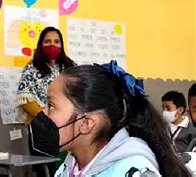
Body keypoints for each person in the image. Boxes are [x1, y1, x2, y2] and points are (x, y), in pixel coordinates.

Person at [30, 60, 191, 176]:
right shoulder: (70, 165)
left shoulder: (134, 170)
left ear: (86, 123)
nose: (43, 112)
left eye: (51, 105)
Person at [15, 26, 76, 175]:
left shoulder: (70, 68)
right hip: (42, 128)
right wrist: (46, 119)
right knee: (46, 171)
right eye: (47, 41)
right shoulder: (32, 68)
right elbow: (25, 98)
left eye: (56, 41)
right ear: (40, 45)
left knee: (69, 168)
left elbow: (79, 96)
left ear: (62, 45)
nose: (52, 45)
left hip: (69, 127)